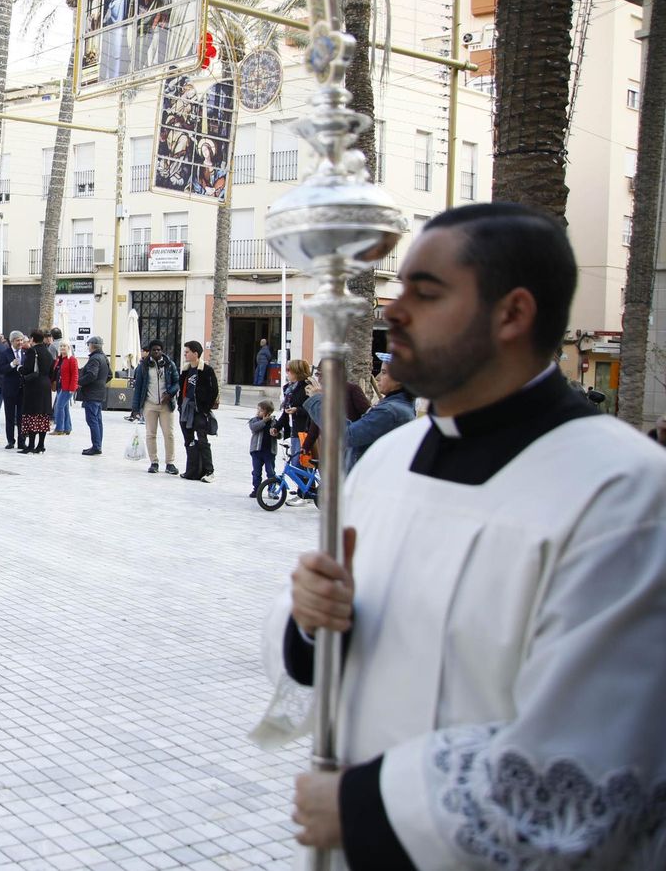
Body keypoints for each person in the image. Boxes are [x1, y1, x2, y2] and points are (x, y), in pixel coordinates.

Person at [261, 203, 666, 867]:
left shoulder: (624, 493)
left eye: (426, 292)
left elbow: (595, 758)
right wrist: (311, 622)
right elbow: (341, 649)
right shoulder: (388, 460)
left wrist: (364, 805)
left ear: (512, 314)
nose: (393, 310)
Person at [303, 353, 416, 470]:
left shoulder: (389, 411)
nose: (377, 378)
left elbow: (346, 435)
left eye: (383, 372)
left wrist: (317, 401)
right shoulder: (397, 407)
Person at [130, 340, 180, 474]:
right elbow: (139, 388)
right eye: (154, 350)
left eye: (159, 350)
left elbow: (177, 382)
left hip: (166, 405)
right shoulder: (143, 367)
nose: (156, 352)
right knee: (150, 434)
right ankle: (154, 462)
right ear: (150, 352)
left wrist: (169, 394)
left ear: (162, 351)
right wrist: (135, 409)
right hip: (149, 404)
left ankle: (170, 463)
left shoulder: (169, 365)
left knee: (169, 434)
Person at [177, 340, 217, 481]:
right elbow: (181, 388)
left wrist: (205, 410)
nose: (185, 354)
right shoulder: (186, 370)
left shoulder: (206, 370)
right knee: (188, 441)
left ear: (195, 353)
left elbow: (214, 391)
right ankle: (192, 470)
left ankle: (209, 471)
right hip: (186, 410)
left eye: (187, 352)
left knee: (202, 440)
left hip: (199, 411)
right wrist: (180, 405)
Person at [18, 329, 55, 454]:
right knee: (43, 415)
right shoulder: (48, 352)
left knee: (32, 414)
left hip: (34, 385)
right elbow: (52, 371)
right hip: (45, 385)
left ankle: (31, 445)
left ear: (32, 339)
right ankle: (41, 445)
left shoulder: (32, 351)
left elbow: (28, 368)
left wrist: (19, 368)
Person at [77, 336, 110, 456]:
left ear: (92, 345)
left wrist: (79, 382)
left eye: (88, 345)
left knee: (92, 420)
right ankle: (98, 445)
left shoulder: (95, 359)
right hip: (99, 393)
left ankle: (96, 446)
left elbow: (92, 374)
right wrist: (101, 384)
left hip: (92, 394)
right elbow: (110, 375)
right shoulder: (104, 358)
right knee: (97, 420)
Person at [276, 359, 313, 458]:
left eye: (289, 370)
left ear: (297, 371)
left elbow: (313, 409)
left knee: (299, 462)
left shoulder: (308, 387)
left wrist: (297, 410)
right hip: (292, 431)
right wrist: (276, 427)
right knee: (294, 462)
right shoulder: (288, 388)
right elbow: (286, 411)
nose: (287, 373)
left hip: (304, 430)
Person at [0, 330, 25, 449]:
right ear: (11, 342)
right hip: (9, 389)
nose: (20, 342)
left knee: (21, 416)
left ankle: (22, 441)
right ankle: (10, 440)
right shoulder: (5, 353)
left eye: (21, 340)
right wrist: (12, 365)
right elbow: (1, 369)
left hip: (22, 389)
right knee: (10, 416)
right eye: (17, 340)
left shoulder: (25, 353)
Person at [247, 399, 277, 498]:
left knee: (271, 472)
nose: (257, 412)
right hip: (256, 451)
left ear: (268, 412)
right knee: (256, 472)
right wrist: (264, 421)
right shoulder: (255, 420)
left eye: (260, 410)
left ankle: (271, 490)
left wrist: (277, 433)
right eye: (257, 410)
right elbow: (254, 428)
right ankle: (256, 489)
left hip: (269, 451)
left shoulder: (273, 421)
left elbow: (280, 433)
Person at [52, 339, 77, 436]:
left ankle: (59, 428)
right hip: (59, 386)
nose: (62, 348)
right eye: (61, 346)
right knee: (65, 407)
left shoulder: (72, 359)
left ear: (68, 348)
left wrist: (72, 388)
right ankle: (67, 428)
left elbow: (75, 375)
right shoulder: (59, 359)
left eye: (64, 346)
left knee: (59, 406)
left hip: (67, 388)